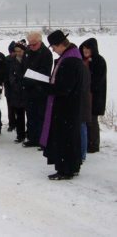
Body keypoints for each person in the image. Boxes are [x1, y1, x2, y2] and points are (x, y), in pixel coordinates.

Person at [40, 30, 86, 180]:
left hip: (65, 107)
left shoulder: (69, 61)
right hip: (71, 106)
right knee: (71, 138)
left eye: (53, 46)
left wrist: (43, 87)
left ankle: (65, 169)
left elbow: (63, 88)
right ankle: (73, 166)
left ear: (60, 44)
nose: (53, 50)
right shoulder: (71, 56)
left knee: (64, 139)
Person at [22, 31, 53, 148]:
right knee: (30, 115)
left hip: (40, 90)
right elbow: (24, 68)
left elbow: (45, 73)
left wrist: (31, 80)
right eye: (30, 44)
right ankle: (32, 138)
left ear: (40, 41)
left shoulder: (46, 53)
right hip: (28, 90)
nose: (31, 46)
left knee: (41, 116)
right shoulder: (28, 52)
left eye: (34, 44)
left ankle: (42, 140)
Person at [79, 38, 107, 154]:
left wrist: (87, 86)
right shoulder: (81, 60)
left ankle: (94, 145)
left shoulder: (99, 61)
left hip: (94, 95)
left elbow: (98, 80)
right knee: (84, 120)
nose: (85, 50)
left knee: (92, 120)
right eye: (84, 48)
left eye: (88, 48)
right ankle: (85, 142)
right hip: (83, 94)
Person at [8, 41, 28, 143]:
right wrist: (15, 84)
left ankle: (30, 133)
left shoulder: (28, 60)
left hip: (27, 90)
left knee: (30, 115)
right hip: (17, 92)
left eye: (20, 51)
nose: (18, 53)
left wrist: (25, 84)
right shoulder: (12, 61)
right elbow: (10, 75)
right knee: (19, 115)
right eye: (16, 51)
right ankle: (20, 135)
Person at [4, 40, 17, 132]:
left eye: (14, 51)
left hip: (18, 86)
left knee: (20, 107)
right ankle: (11, 123)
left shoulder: (21, 59)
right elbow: (4, 73)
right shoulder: (6, 60)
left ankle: (19, 123)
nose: (13, 53)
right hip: (9, 86)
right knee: (10, 107)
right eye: (11, 52)